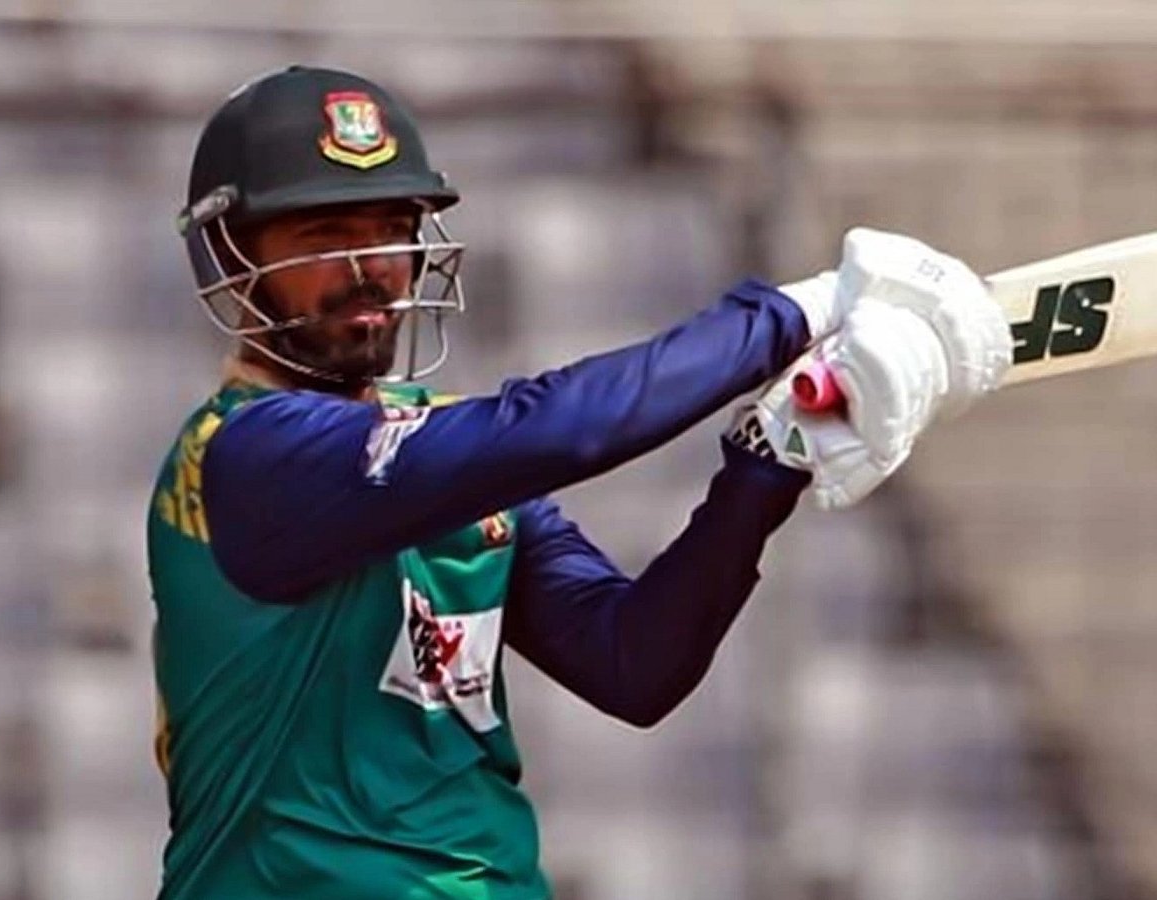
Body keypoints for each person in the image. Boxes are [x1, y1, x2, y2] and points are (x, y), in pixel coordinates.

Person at [148, 65, 1011, 899]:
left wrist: (768, 461)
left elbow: (632, 663)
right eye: (323, 238)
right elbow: (563, 428)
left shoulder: (445, 457)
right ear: (229, 257)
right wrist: (804, 310)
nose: (369, 268)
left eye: (389, 231)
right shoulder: (247, 456)